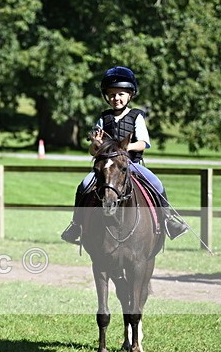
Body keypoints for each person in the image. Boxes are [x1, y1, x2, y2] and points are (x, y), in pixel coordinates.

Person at [61, 66, 189, 244]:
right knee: (84, 185)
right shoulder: (103, 118)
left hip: (131, 164)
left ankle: (168, 221)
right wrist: (96, 144)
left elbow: (144, 143)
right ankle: (76, 225)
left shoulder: (136, 116)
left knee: (156, 183)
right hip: (107, 167)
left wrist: (125, 148)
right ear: (107, 97)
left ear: (130, 95)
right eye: (112, 94)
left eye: (121, 94)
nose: (116, 98)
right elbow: (93, 151)